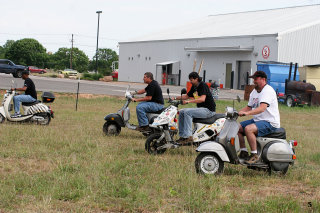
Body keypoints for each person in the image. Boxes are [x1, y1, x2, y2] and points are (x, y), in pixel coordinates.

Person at [238, 71, 280, 164]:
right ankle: (244, 152)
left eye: (256, 79)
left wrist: (247, 113)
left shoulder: (267, 90)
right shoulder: (254, 91)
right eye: (253, 79)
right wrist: (238, 113)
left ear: (263, 79)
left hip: (270, 122)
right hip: (258, 120)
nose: (254, 81)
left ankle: (254, 155)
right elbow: (249, 106)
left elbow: (262, 108)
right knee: (237, 127)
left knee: (248, 129)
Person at [175, 72, 216, 144]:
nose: (190, 82)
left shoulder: (203, 85)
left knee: (187, 112)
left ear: (196, 79)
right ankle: (182, 137)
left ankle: (188, 137)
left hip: (208, 110)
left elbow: (202, 99)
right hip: (201, 109)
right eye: (190, 80)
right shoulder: (194, 87)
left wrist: (188, 102)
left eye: (191, 80)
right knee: (181, 111)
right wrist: (174, 98)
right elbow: (186, 96)